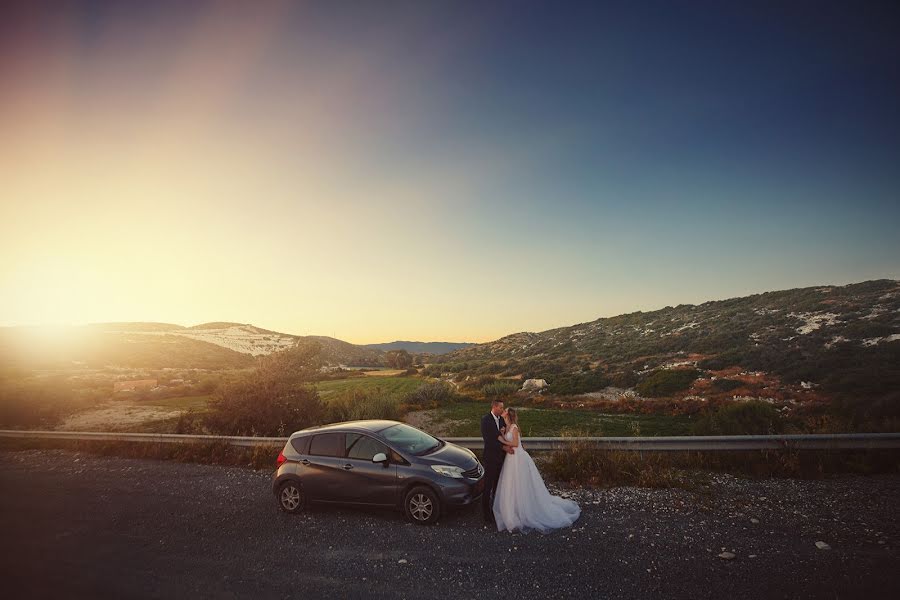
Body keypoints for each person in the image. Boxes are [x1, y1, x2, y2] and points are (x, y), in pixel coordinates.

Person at [493, 408, 581, 533]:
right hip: (510, 458)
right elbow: (509, 440)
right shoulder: (506, 427)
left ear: (508, 414)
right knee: (511, 484)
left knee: (521, 483)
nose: (503, 410)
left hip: (518, 458)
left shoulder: (514, 427)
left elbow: (516, 443)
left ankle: (526, 509)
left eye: (505, 410)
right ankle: (514, 509)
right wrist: (502, 434)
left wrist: (502, 440)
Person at [480, 399, 512, 525]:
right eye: (501, 408)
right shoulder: (486, 420)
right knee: (488, 486)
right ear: (494, 407)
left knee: (498, 486)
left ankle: (496, 509)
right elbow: (489, 440)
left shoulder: (502, 420)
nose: (502, 410)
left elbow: (504, 436)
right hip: (491, 458)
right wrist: (504, 447)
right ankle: (486, 514)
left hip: (501, 459)